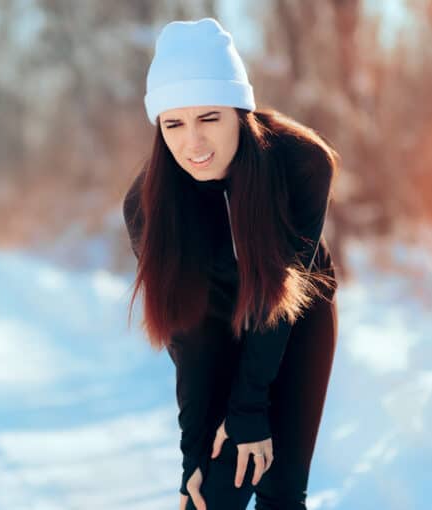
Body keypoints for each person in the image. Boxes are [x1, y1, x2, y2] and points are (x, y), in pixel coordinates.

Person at [122, 18, 340, 510]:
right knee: (211, 495)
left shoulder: (301, 163)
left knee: (280, 488)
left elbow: (281, 294)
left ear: (239, 111)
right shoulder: (146, 207)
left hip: (296, 309)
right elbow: (188, 335)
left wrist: (248, 411)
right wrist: (194, 452)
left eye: (209, 118)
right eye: (174, 124)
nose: (193, 145)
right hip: (212, 319)